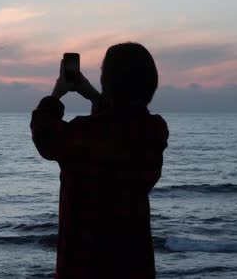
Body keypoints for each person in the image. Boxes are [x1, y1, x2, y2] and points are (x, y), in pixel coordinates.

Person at [30, 42, 169, 278]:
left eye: (103, 74)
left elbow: (45, 135)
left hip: (84, 264)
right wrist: (93, 94)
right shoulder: (154, 131)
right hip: (134, 264)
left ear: (108, 83)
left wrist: (57, 93)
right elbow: (119, 123)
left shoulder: (83, 134)